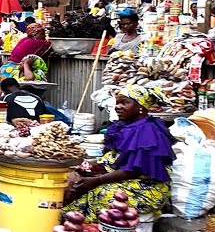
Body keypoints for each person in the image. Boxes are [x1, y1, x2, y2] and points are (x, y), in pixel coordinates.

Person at [65, 85, 174, 218]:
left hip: (145, 187)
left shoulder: (148, 131)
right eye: (117, 102)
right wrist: (86, 164)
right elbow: (115, 157)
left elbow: (132, 169)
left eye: (125, 102)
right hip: (125, 178)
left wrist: (97, 180)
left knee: (100, 193)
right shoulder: (124, 126)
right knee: (71, 182)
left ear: (141, 106)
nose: (118, 106)